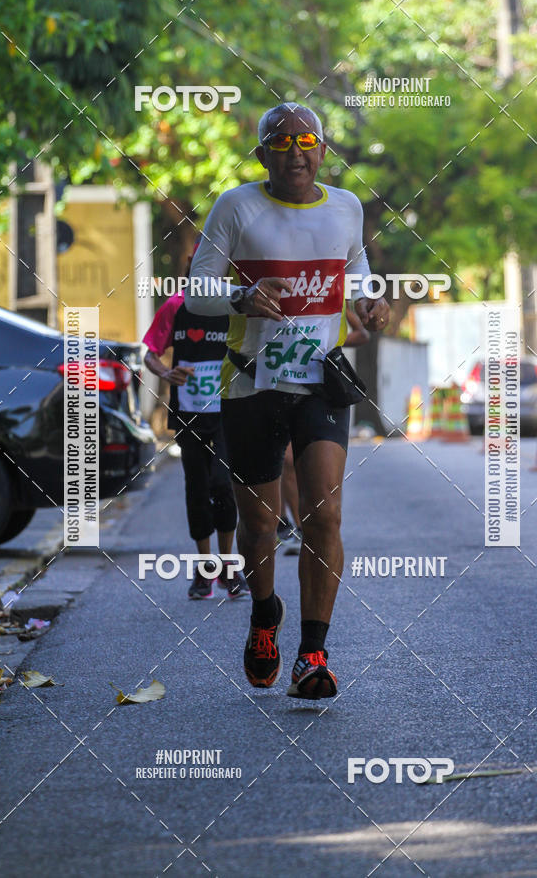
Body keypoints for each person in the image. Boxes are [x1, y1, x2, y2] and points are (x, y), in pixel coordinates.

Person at [185, 102, 389, 699]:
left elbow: (357, 270)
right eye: (281, 141)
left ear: (323, 150)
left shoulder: (346, 208)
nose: (296, 151)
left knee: (323, 515)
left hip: (319, 382)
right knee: (257, 521)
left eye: (307, 140)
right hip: (250, 381)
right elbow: (198, 291)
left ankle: (313, 653)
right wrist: (242, 297)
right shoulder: (237, 207)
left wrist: (370, 301)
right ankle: (264, 615)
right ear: (261, 155)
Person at [142, 287, 250, 601]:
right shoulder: (176, 305)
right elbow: (150, 351)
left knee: (223, 485)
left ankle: (228, 565)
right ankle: (205, 568)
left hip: (227, 413)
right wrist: (166, 372)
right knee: (197, 489)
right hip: (188, 414)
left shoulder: (237, 303)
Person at [277, 306, 370, 557]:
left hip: (319, 385)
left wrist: (326, 341)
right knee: (285, 464)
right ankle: (289, 523)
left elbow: (363, 334)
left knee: (309, 473)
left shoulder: (331, 285)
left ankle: (303, 527)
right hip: (273, 379)